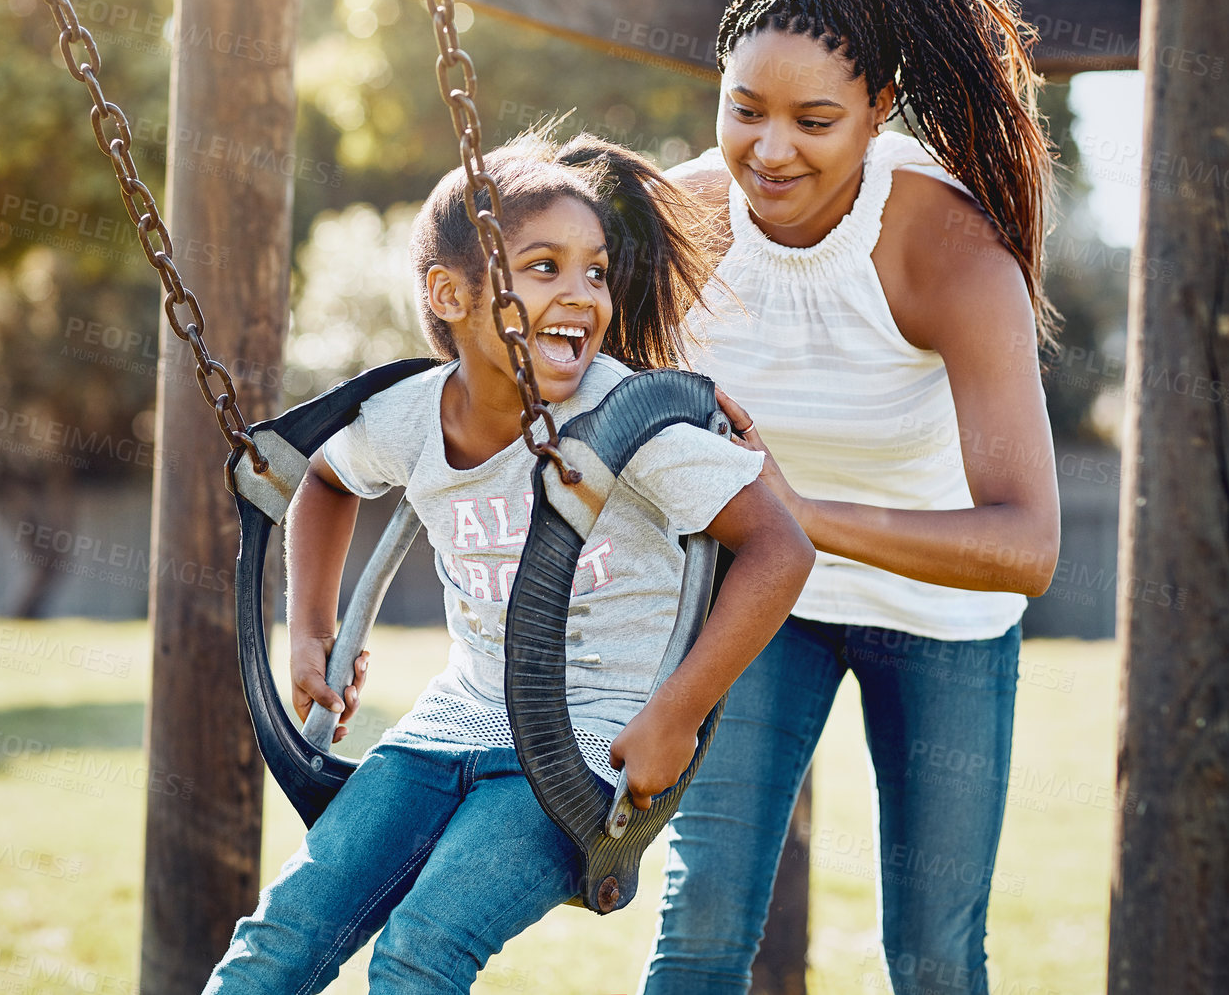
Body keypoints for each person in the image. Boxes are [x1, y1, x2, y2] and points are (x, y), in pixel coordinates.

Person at [202, 130, 814, 995]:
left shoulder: (626, 421)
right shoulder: (411, 415)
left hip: (586, 744)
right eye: (543, 268)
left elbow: (781, 548)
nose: (580, 295)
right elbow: (326, 482)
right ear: (450, 294)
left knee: (420, 951)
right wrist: (309, 631)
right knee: (277, 941)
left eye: (594, 271)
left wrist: (675, 717)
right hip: (450, 724)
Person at [640, 0, 1063, 995]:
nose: (770, 152)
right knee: (701, 924)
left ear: (879, 109)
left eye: (815, 120)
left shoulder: (952, 253)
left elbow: (1027, 548)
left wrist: (799, 515)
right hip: (766, 600)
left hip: (942, 613)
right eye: (744, 109)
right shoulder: (678, 221)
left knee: (930, 954)